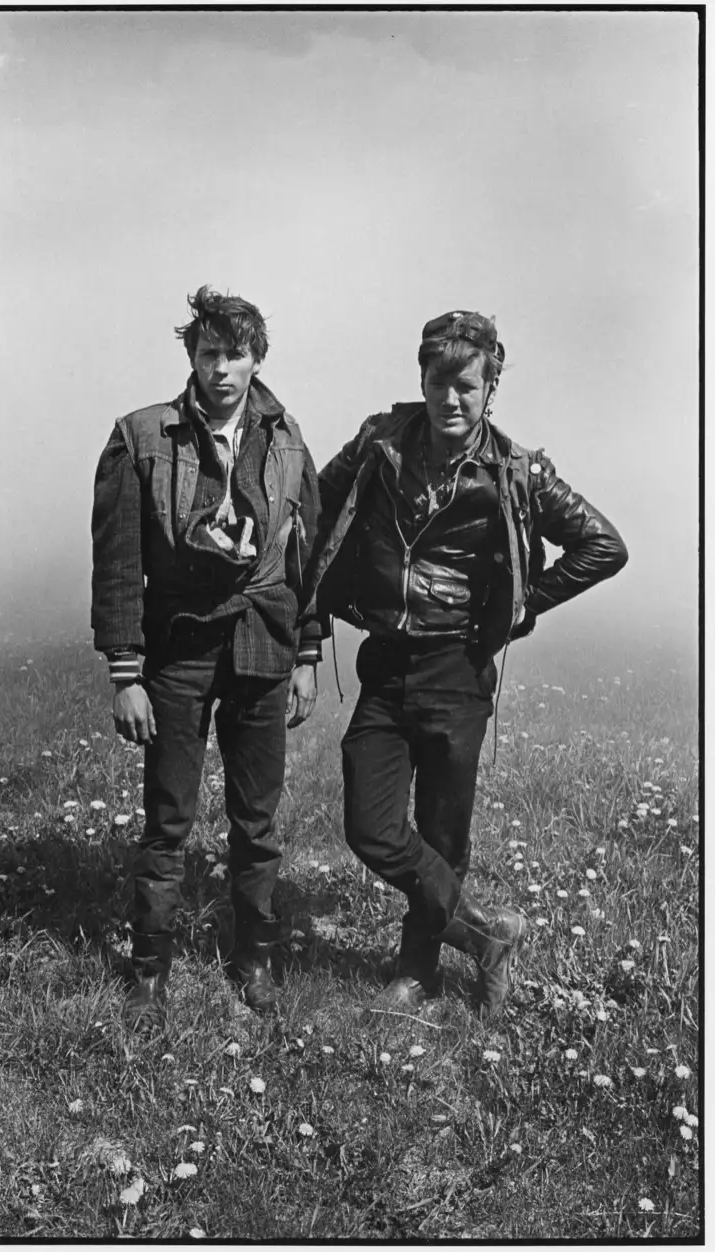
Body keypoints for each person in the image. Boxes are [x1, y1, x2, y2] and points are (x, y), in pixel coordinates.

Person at [305, 310, 628, 1017]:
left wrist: (518, 607)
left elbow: (603, 546)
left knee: (443, 834)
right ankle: (487, 937)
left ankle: (417, 971)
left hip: (458, 669)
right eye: (436, 382)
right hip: (385, 663)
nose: (449, 399)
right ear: (419, 381)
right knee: (371, 827)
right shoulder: (377, 442)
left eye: (465, 386)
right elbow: (314, 504)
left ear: (490, 389)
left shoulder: (514, 471)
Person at [91, 286, 321, 1027]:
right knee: (168, 819)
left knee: (257, 822)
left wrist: (309, 654)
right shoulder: (142, 437)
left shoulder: (286, 441)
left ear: (258, 359)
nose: (222, 368)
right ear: (190, 355)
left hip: (263, 645)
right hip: (179, 651)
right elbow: (120, 563)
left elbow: (305, 556)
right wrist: (125, 672)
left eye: (237, 353)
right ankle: (149, 966)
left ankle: (253, 957)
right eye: (210, 352)